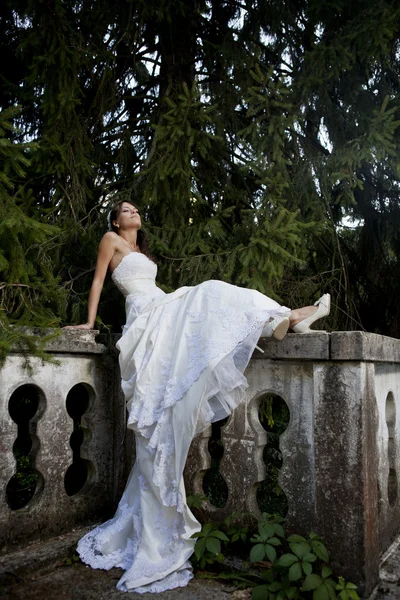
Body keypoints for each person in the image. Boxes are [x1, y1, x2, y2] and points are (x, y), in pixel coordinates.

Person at [64, 200, 330, 593]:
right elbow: (100, 281)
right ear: (116, 220)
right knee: (207, 295)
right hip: (143, 312)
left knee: (212, 297)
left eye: (136, 209)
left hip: (158, 302)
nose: (133, 212)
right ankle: (285, 318)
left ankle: (283, 318)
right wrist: (88, 324)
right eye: (125, 210)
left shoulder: (141, 252)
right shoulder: (111, 240)